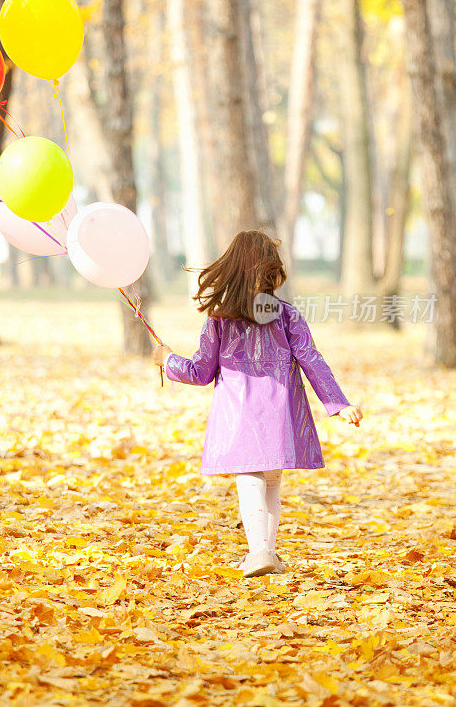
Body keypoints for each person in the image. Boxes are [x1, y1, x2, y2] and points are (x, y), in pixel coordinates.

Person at [152, 230, 363, 577]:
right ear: (271, 272)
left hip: (240, 416)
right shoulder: (287, 316)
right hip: (280, 412)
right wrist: (338, 403)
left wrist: (167, 359)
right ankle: (266, 553)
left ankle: (260, 552)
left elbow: (201, 372)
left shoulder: (219, 320)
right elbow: (312, 360)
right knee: (271, 479)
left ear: (231, 271)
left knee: (249, 476)